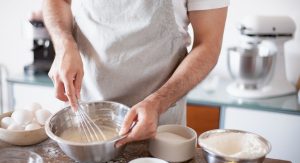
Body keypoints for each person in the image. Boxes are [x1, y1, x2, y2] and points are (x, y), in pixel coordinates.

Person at [43, 0, 229, 147]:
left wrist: (157, 103)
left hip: (158, 125)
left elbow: (208, 44)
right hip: (83, 112)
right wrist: (63, 45)